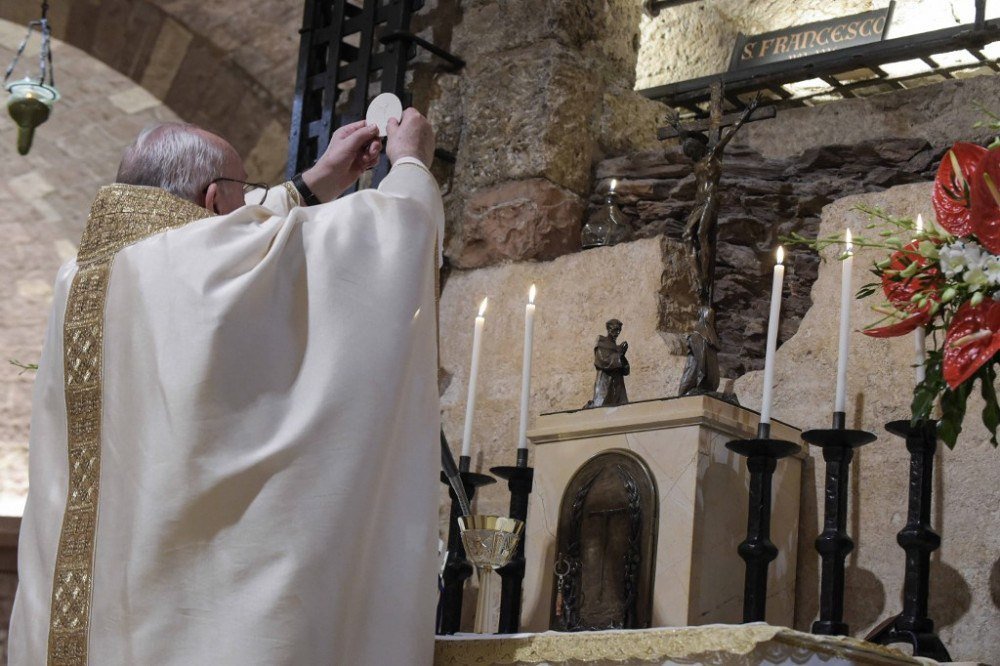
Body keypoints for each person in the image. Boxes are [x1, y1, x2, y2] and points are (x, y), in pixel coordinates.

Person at [8, 109, 443, 665]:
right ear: (214, 198)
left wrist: (313, 184)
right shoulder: (207, 260)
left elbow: (222, 240)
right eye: (246, 191)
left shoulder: (83, 277)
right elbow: (387, 235)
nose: (254, 204)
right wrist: (410, 166)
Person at [585, 319, 629, 408]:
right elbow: (602, 360)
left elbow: (625, 370)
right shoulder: (601, 342)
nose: (617, 333)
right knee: (599, 408)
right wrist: (619, 356)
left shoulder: (617, 348)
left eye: (619, 330)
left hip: (617, 384)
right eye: (615, 329)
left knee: (621, 409)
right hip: (605, 382)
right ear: (608, 329)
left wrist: (622, 354)